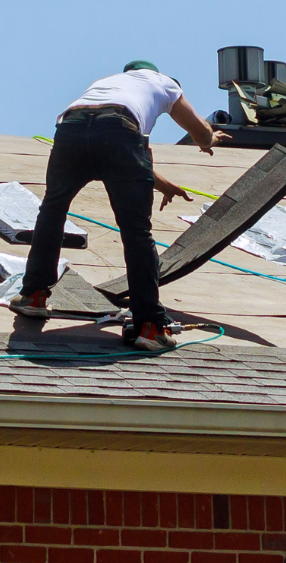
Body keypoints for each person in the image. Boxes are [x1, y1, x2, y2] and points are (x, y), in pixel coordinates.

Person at [14, 60, 230, 350]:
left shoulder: (109, 84)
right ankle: (150, 327)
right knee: (136, 231)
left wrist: (161, 183)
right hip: (120, 129)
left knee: (52, 210)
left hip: (72, 126)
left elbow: (111, 144)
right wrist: (209, 140)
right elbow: (191, 132)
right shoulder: (164, 83)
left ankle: (34, 297)